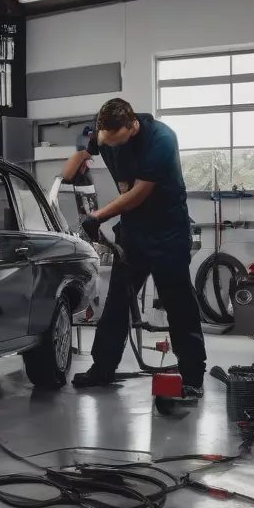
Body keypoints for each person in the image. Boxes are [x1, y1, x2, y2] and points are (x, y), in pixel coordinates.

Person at [60, 98, 206, 395]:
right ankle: (102, 368)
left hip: (167, 233)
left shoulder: (161, 139)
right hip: (133, 234)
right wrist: (73, 165)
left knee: (179, 305)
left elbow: (139, 194)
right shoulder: (104, 135)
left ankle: (192, 377)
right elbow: (72, 167)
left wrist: (98, 216)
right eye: (106, 144)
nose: (111, 149)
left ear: (132, 126)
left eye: (117, 143)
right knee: (116, 303)